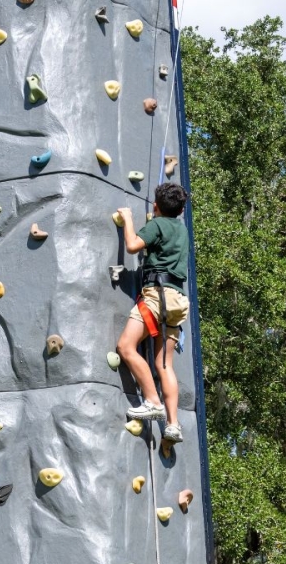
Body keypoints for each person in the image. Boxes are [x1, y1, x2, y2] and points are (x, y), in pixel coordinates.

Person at [115, 182, 190, 443]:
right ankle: (173, 424)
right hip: (177, 300)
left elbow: (134, 246)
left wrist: (128, 220)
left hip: (157, 296)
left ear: (156, 206)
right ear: (181, 210)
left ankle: (152, 401)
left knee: (126, 346)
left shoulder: (157, 225)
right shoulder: (181, 230)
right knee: (163, 364)